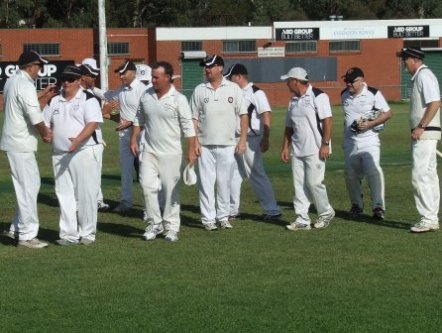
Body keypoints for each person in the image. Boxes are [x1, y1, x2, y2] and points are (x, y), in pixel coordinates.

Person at [130, 61, 196, 241]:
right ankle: (155, 223)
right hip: (149, 151)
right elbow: (138, 119)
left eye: (156, 77)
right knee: (146, 185)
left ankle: (172, 227)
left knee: (169, 190)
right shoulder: (146, 95)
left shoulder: (179, 99)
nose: (153, 80)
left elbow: (189, 128)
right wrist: (133, 139)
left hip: (171, 153)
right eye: (152, 77)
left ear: (168, 78)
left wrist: (192, 150)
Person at [44, 65, 104, 245]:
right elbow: (45, 123)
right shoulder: (54, 101)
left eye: (70, 79)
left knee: (86, 194)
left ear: (79, 81)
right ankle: (68, 235)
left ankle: (87, 234)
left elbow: (93, 123)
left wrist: (77, 140)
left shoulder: (88, 98)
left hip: (84, 152)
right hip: (59, 154)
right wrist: (46, 133)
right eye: (64, 79)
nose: (66, 82)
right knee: (64, 195)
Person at [0, 50, 54, 248]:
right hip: (21, 143)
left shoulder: (12, 81)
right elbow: (34, 114)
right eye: (38, 67)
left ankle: (16, 228)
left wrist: (42, 94)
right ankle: (27, 235)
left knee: (27, 187)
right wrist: (46, 133)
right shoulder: (25, 84)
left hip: (14, 142)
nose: (39, 71)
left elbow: (21, 100)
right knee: (29, 188)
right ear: (31, 66)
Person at [190, 55, 248, 230]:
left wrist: (243, 140)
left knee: (224, 183)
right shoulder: (199, 90)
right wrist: (195, 143)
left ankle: (223, 217)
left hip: (228, 144)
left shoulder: (234, 89)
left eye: (210, 66)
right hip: (205, 145)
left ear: (220, 68)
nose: (207, 69)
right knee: (206, 183)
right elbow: (193, 118)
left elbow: (244, 115)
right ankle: (208, 219)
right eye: (205, 67)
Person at [224, 63, 281, 221]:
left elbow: (266, 114)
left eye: (231, 77)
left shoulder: (256, 92)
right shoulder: (234, 92)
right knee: (233, 174)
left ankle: (271, 209)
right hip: (235, 138)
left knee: (256, 173)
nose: (228, 80)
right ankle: (231, 210)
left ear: (239, 76)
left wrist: (266, 137)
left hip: (251, 139)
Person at [280, 67, 335, 231]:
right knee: (299, 185)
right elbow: (289, 127)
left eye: (288, 81)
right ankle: (302, 219)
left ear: (295, 81)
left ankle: (325, 213)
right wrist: (285, 147)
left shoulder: (318, 96)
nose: (286, 84)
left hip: (316, 149)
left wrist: (325, 144)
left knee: (314, 183)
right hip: (297, 150)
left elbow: (328, 121)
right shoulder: (292, 101)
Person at [397, 47, 441, 233]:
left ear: (414, 59)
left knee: (420, 176)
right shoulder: (422, 76)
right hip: (426, 133)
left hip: (425, 133)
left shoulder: (424, 75)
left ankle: (428, 218)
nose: (403, 63)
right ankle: (431, 217)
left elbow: (435, 102)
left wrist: (421, 126)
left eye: (405, 59)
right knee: (429, 176)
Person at [341, 67, 392, 220]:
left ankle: (378, 207)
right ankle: (356, 205)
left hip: (369, 141)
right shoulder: (344, 94)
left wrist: (371, 124)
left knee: (373, 173)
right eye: (346, 81)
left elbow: (387, 113)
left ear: (361, 80)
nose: (348, 84)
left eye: (351, 81)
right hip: (350, 142)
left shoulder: (373, 93)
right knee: (350, 175)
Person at [110, 60, 148, 213]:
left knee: (145, 172)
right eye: (120, 73)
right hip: (124, 137)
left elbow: (146, 116)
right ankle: (126, 202)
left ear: (133, 72)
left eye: (124, 73)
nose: (121, 76)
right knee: (125, 171)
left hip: (141, 136)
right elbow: (108, 96)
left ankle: (148, 207)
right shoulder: (121, 89)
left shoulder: (142, 90)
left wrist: (130, 124)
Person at [79, 58, 110, 211]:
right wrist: (104, 112)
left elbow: (108, 96)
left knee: (95, 173)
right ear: (83, 75)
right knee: (86, 174)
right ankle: (84, 202)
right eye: (92, 74)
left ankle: (97, 199)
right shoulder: (80, 93)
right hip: (86, 140)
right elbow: (88, 119)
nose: (94, 77)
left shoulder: (91, 91)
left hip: (95, 138)